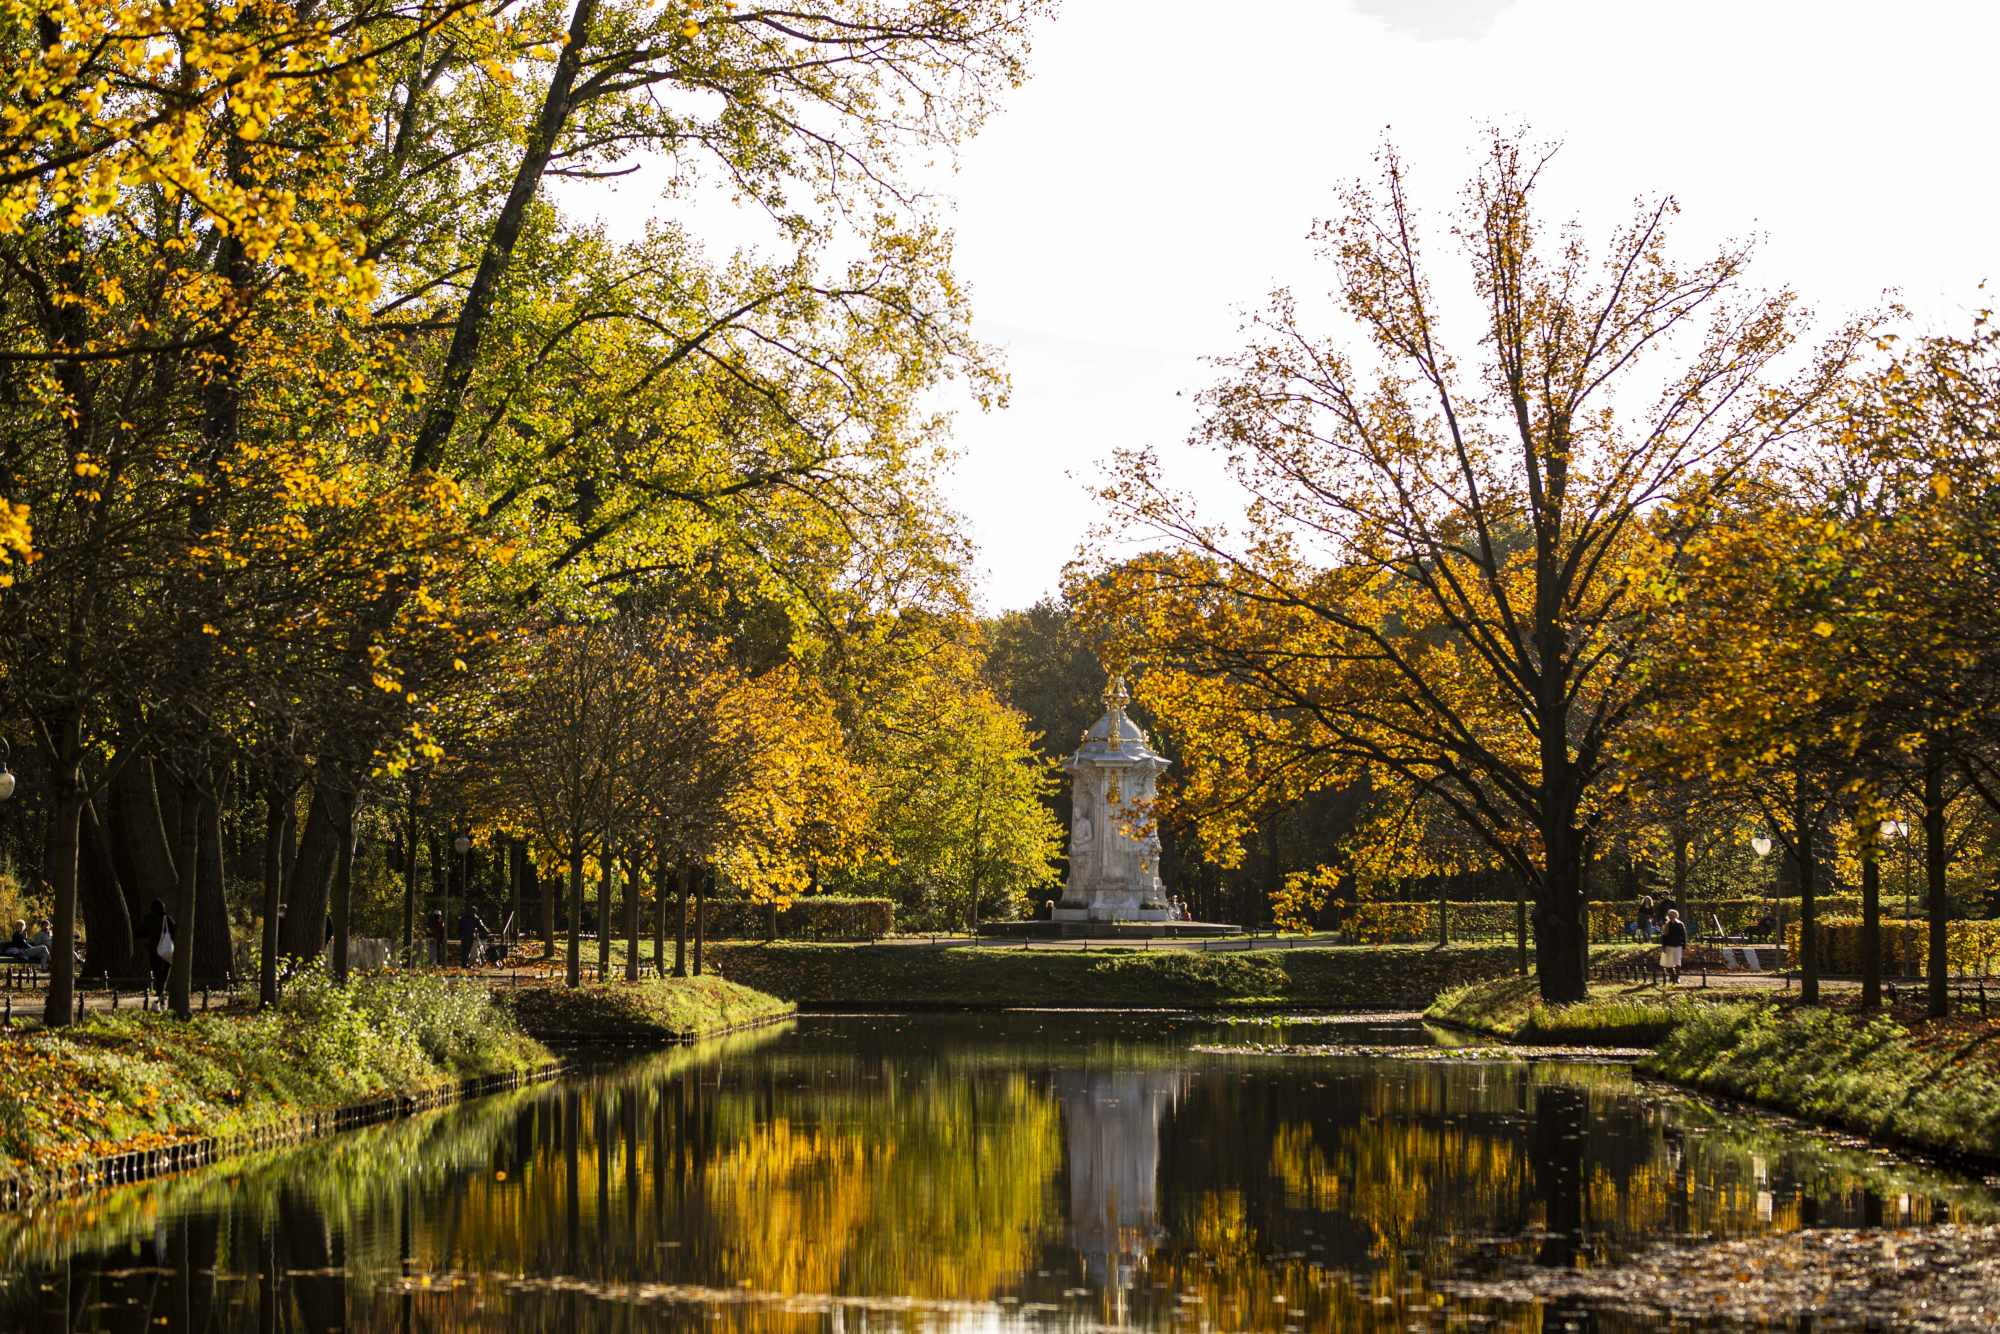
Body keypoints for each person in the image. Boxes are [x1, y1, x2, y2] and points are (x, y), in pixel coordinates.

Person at [137, 897, 175, 1000]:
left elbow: (141, 932)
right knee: (166, 970)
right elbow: (174, 931)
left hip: (154, 949)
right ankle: (162, 989)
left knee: (157, 970)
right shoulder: (167, 919)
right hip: (166, 948)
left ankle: (159, 990)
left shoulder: (148, 918)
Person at [1659, 909, 1689, 985]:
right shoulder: (1667, 925)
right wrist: (1663, 946)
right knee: (1668, 963)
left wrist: (1684, 945)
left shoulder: (1680, 924)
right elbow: (1663, 937)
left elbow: (1684, 935)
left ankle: (1677, 977)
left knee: (1677, 962)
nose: (1671, 916)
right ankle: (1672, 976)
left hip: (1678, 945)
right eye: (1670, 915)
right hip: (1669, 945)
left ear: (1676, 916)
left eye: (1673, 915)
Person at [458, 904, 489, 969]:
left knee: (464, 950)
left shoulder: (463, 918)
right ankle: (465, 964)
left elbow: (459, 927)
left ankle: (464, 964)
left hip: (463, 936)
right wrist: (487, 931)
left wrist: (459, 934)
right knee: (467, 950)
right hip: (470, 936)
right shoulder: (475, 918)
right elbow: (481, 926)